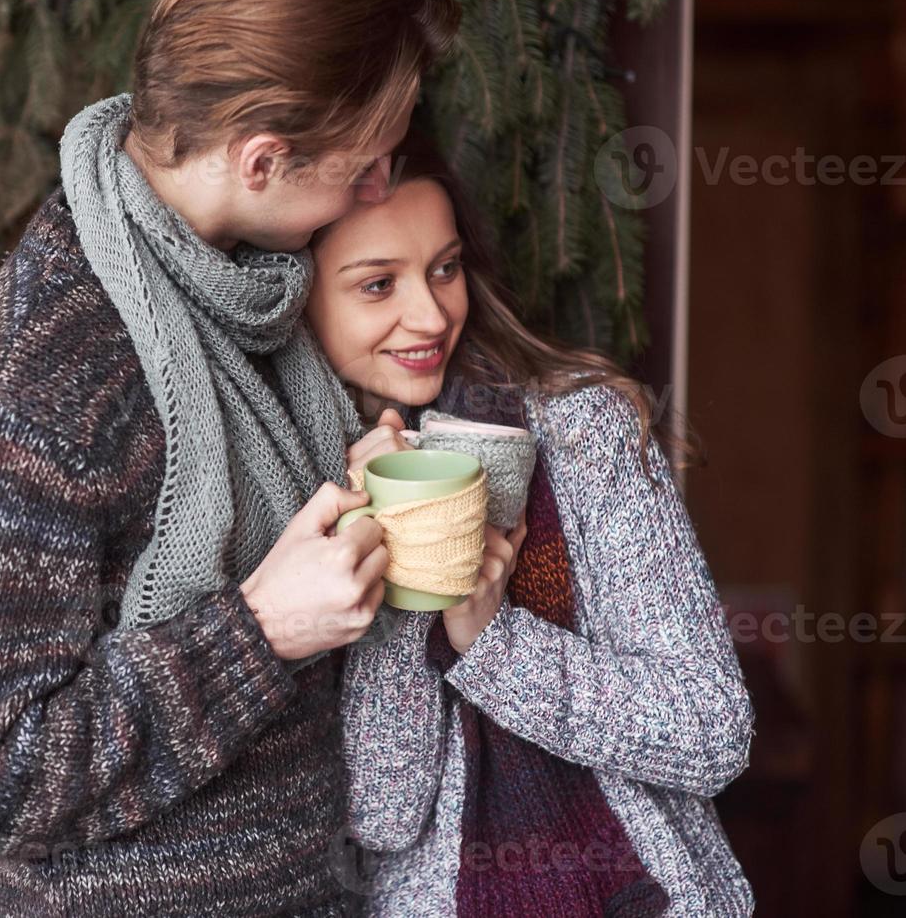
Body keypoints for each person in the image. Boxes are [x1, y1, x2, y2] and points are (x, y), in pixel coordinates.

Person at [0, 0, 459, 913]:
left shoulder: (241, 294)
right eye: (365, 165)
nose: (376, 190)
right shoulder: (37, 374)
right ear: (263, 159)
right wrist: (258, 632)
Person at [306, 127, 756, 915]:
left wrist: (494, 643)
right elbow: (382, 809)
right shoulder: (299, 488)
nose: (430, 314)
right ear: (301, 298)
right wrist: (403, 539)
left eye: (444, 269)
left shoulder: (582, 434)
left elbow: (708, 730)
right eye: (378, 285)